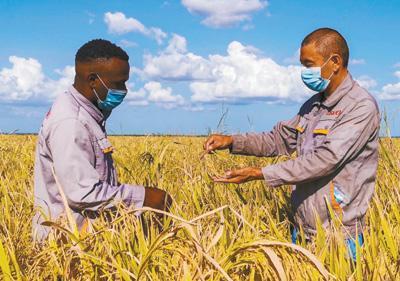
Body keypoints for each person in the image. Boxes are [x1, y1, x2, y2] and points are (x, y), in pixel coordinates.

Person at [203, 28, 380, 260]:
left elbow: (325, 160)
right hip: (302, 231)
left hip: (340, 237)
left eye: (309, 65)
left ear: (334, 62)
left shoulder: (360, 107)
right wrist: (232, 141)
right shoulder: (313, 106)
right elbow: (278, 140)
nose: (304, 73)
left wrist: (260, 174)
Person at [33, 39, 172, 241]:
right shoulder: (71, 122)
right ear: (93, 80)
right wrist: (145, 197)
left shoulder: (85, 113)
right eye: (118, 83)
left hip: (84, 241)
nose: (124, 90)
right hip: (67, 245)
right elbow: (82, 193)